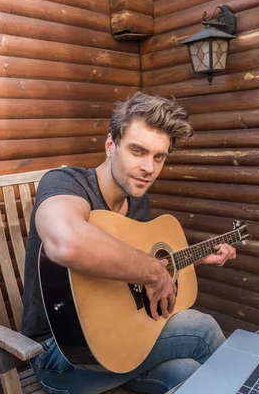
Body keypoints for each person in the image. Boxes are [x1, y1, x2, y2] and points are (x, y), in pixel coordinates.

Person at [22, 92, 237, 394]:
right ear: (111, 145)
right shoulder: (65, 184)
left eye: (158, 157)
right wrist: (153, 271)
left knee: (187, 373)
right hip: (62, 354)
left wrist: (193, 259)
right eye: (138, 151)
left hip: (118, 344)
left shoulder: (137, 201)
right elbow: (67, 242)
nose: (149, 168)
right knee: (201, 329)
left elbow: (128, 265)